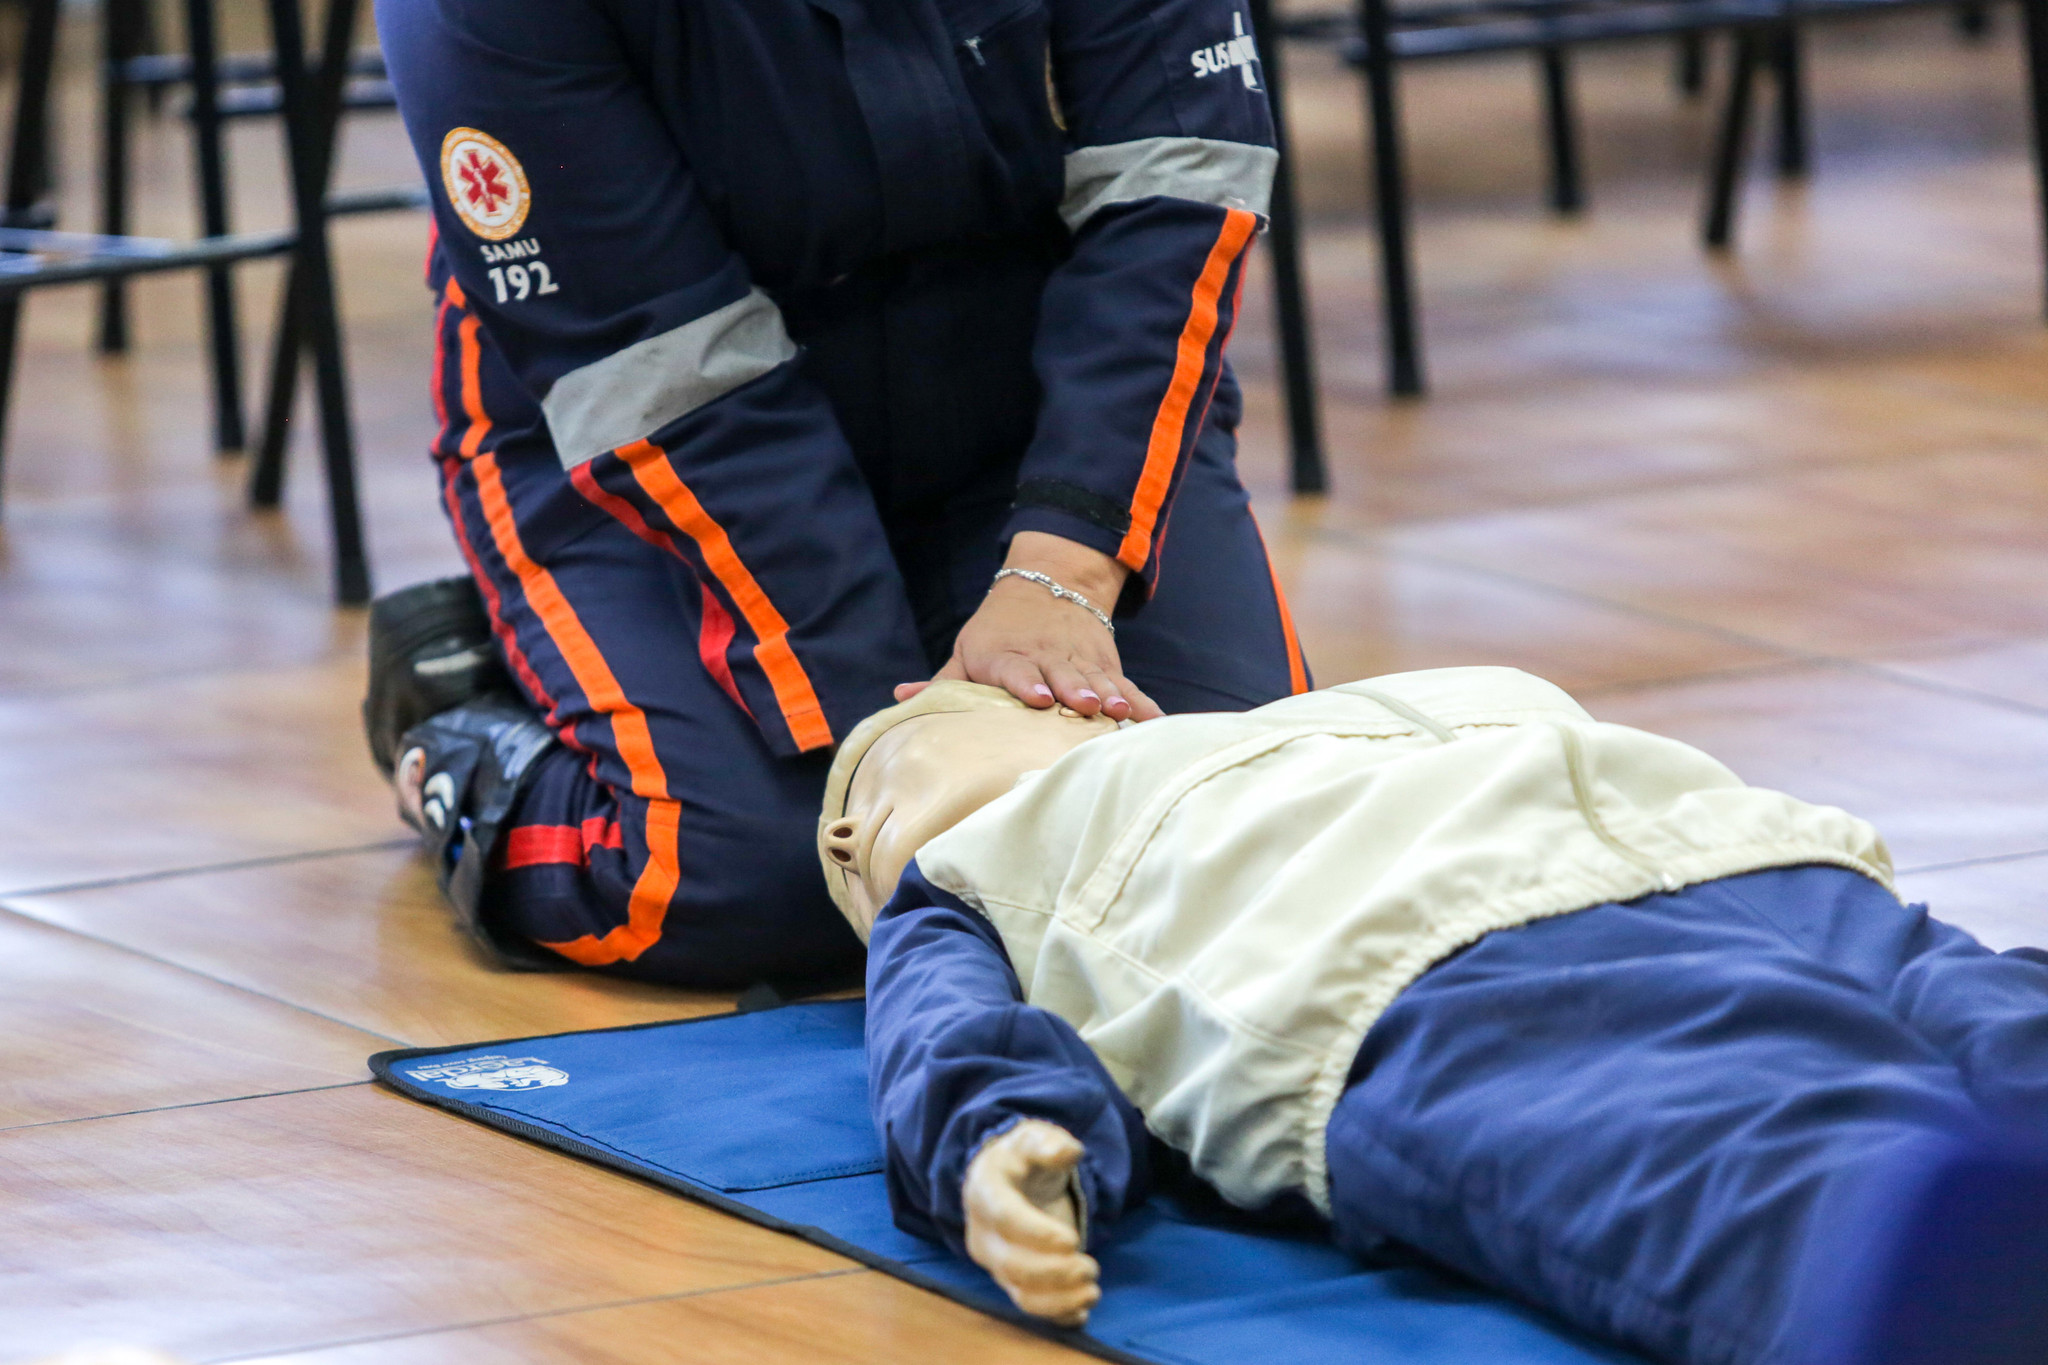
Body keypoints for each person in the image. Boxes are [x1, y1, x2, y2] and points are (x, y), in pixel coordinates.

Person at [358, 0, 1310, 987]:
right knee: (779, 877)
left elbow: (1173, 186)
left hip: (1031, 401)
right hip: (642, 439)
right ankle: (470, 730)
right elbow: (651, 353)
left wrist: (1061, 571)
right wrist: (891, 738)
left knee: (1228, 832)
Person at [827, 669, 2048, 1365]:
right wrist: (997, 1144)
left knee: (2000, 1023)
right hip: (1430, 980)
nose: (850, 839)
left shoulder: (1333, 709)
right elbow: (944, 1033)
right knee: (1764, 1165)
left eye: (876, 773)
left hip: (1757, 862)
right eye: (855, 832)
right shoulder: (971, 877)